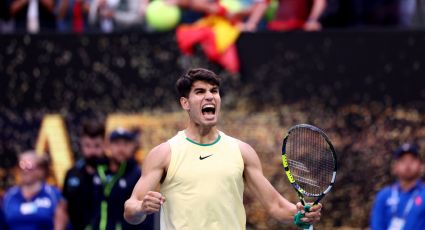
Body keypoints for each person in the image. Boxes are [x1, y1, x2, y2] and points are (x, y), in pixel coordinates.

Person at [123, 68, 322, 229]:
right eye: (200, 92)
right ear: (185, 103)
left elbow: (275, 205)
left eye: (214, 91)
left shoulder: (242, 151)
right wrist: (141, 207)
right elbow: (131, 210)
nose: (209, 96)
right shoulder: (164, 153)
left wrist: (301, 215)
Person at [89, 127, 155, 229]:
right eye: (116, 143)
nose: (121, 149)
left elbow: (146, 211)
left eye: (126, 144)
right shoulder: (98, 171)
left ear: (133, 146)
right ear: (108, 146)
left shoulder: (139, 174)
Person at [56, 119, 108, 230]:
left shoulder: (115, 172)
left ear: (104, 144)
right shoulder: (72, 174)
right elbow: (63, 208)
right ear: (81, 144)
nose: (92, 151)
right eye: (87, 146)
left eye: (97, 146)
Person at [2, 150, 65, 230]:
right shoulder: (9, 196)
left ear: (40, 170)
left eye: (28, 165)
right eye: (21, 165)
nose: (24, 170)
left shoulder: (54, 195)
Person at [370, 143, 425, 230]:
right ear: (395, 167)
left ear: (421, 166)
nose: (408, 165)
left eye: (412, 160)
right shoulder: (384, 195)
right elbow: (377, 225)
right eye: (403, 160)